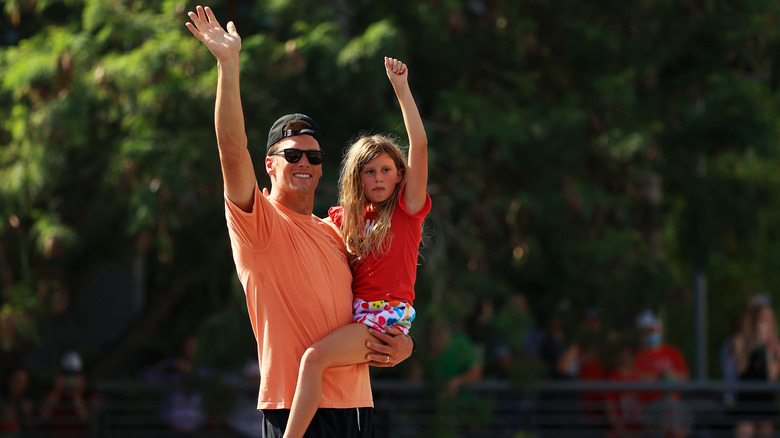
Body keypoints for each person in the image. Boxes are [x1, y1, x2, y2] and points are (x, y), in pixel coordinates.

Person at [184, 6, 413, 438]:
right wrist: (228, 66)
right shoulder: (258, 222)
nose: (304, 162)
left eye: (313, 156)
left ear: (323, 168)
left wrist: (404, 344)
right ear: (270, 164)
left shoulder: (336, 231)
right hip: (294, 408)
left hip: (355, 404)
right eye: (291, 154)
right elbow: (231, 151)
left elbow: (380, 297)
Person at [283, 56, 430, 438]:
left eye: (385, 170)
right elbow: (304, 228)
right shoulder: (346, 217)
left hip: (383, 317)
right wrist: (269, 206)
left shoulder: (405, 210)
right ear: (357, 178)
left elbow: (420, 144)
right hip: (357, 314)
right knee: (321, 364)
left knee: (313, 360)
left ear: (399, 174)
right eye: (369, 171)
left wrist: (402, 90)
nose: (378, 177)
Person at [633, 310, 692, 438]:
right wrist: (660, 377)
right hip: (651, 411)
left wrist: (671, 376)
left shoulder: (673, 352)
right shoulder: (639, 355)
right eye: (650, 330)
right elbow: (637, 377)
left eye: (655, 329)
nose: (653, 333)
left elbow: (684, 376)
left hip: (672, 411)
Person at [730, 301, 780, 438]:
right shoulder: (739, 341)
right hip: (746, 400)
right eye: (762, 320)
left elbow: (772, 377)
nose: (765, 324)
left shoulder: (775, 346)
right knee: (744, 431)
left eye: (768, 320)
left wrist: (768, 350)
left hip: (765, 401)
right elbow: (740, 369)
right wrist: (753, 344)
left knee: (766, 430)